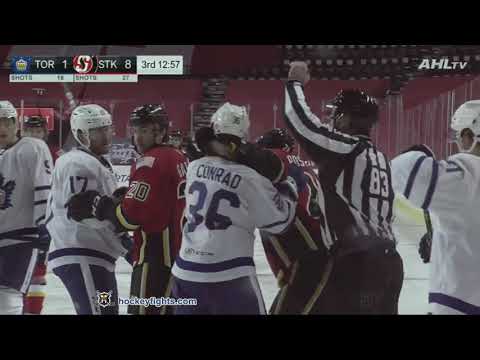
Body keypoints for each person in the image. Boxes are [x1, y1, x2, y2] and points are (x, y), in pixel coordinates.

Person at [283, 61, 403, 314]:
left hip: (359, 264)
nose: (330, 120)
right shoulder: (380, 157)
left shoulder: (346, 147)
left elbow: (303, 124)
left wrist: (294, 84)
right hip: (390, 262)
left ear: (346, 118)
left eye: (334, 114)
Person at [170, 103, 302, 315]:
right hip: (229, 273)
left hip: (185, 271)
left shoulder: (193, 167)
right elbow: (279, 221)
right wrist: (288, 187)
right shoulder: (249, 177)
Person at [66, 104, 189, 315]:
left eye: (144, 130)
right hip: (181, 257)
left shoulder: (149, 163)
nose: (138, 137)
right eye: (135, 130)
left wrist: (100, 206)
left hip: (155, 260)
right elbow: (159, 200)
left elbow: (128, 219)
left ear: (160, 131)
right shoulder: (180, 158)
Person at [391, 100, 480, 315]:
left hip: (460, 302)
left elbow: (404, 170)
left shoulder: (468, 172)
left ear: (470, 133)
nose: (458, 141)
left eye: (460, 134)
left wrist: (419, 153)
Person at [46, 104, 130, 315]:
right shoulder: (77, 162)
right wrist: (124, 241)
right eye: (99, 130)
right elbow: (82, 211)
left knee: (105, 311)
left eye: (108, 128)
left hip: (94, 257)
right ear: (81, 134)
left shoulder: (95, 162)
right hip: (82, 253)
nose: (107, 135)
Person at [0, 100, 53, 315]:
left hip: (22, 238)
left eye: (6, 122)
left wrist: (44, 228)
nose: (2, 128)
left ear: (15, 123)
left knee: (8, 296)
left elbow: (44, 190)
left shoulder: (32, 148)